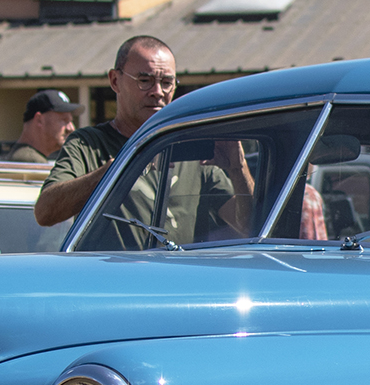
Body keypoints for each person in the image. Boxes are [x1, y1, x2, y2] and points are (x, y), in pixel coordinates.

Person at [35, 36, 253, 239]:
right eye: (145, 80)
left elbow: (250, 226)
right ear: (115, 81)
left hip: (178, 268)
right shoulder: (89, 144)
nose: (157, 91)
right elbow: (45, 212)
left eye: (166, 82)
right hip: (114, 269)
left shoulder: (192, 151)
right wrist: (118, 170)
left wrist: (238, 169)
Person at [0, 90, 77, 164]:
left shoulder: (29, 157)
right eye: (64, 120)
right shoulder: (30, 161)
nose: (71, 128)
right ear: (39, 120)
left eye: (70, 121)